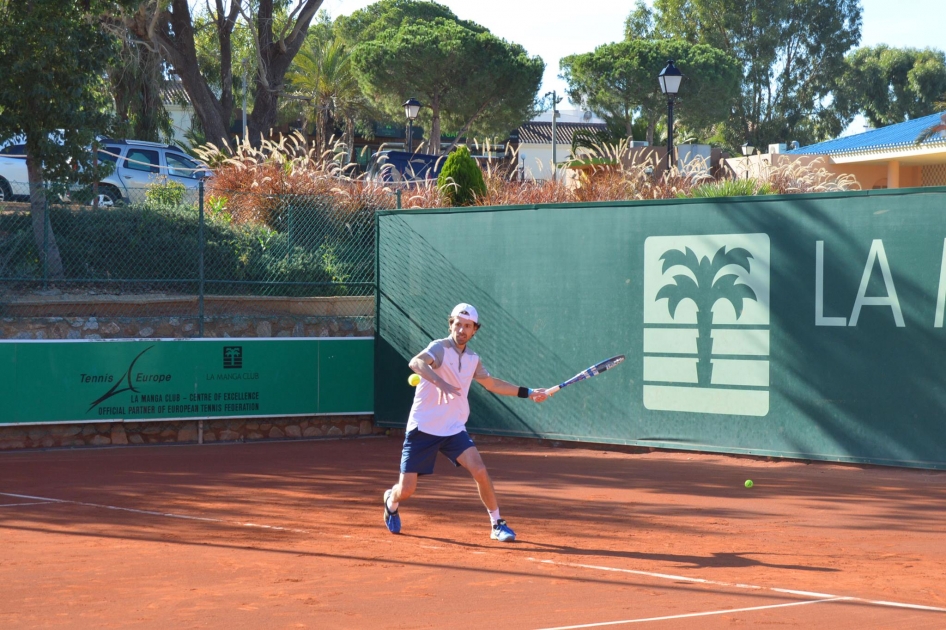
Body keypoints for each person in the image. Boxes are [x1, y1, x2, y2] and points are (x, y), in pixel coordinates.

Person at [383, 303, 549, 542]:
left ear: (474, 330)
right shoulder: (439, 349)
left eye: (467, 326)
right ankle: (391, 500)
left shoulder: (472, 359)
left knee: (480, 470)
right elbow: (416, 363)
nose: (461, 330)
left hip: (453, 428)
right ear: (451, 324)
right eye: (458, 324)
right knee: (406, 490)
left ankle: (497, 524)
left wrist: (530, 392)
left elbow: (493, 384)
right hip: (423, 428)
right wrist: (439, 383)